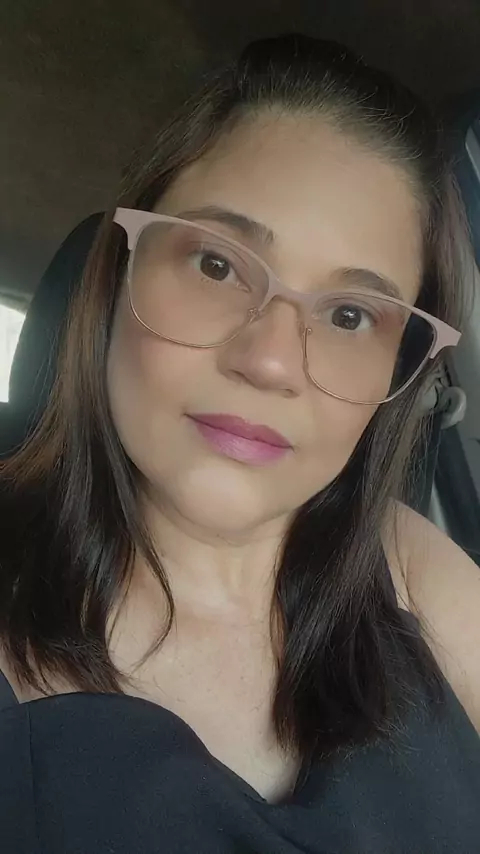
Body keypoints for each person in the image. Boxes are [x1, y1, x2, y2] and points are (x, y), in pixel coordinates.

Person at [0, 32, 479, 853]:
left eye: (350, 315)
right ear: (117, 275)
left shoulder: (405, 562)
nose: (269, 362)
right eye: (217, 266)